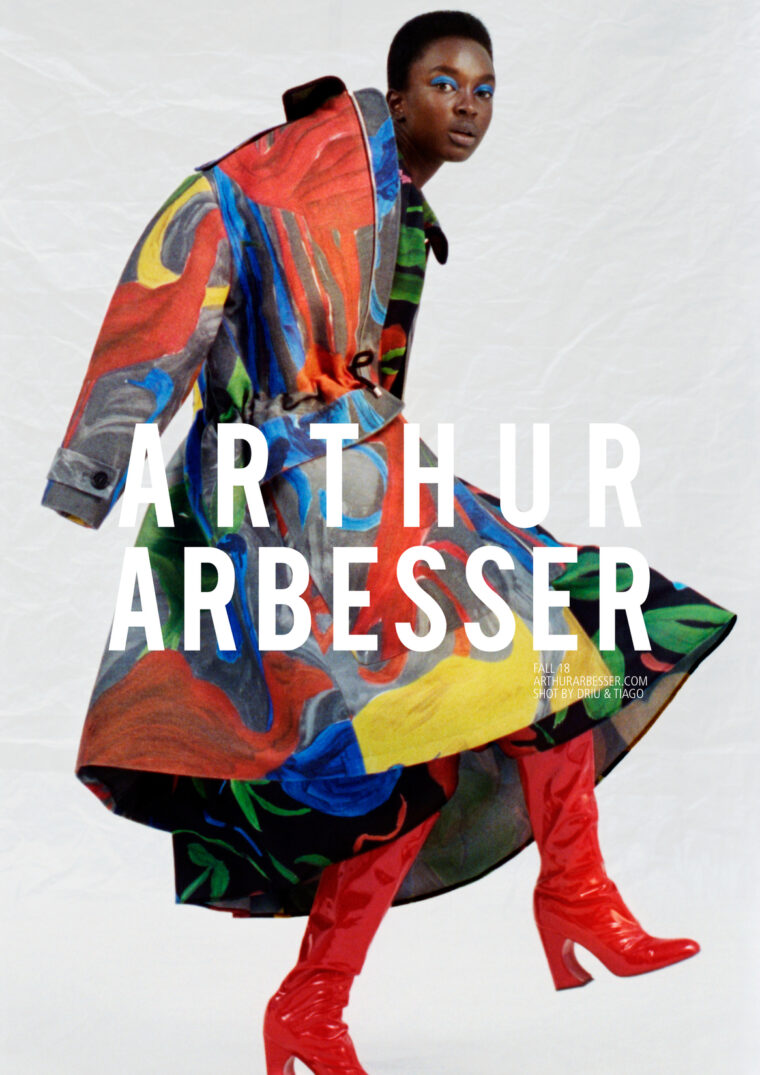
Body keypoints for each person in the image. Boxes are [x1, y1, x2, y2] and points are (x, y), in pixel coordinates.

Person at [42, 11, 735, 1074]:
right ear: (397, 93)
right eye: (446, 84)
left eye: (485, 90)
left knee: (534, 658)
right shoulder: (270, 177)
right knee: (446, 715)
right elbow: (164, 297)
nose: (469, 107)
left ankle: (533, 909)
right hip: (289, 502)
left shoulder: (388, 189)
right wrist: (94, 469)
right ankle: (372, 980)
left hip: (377, 476)